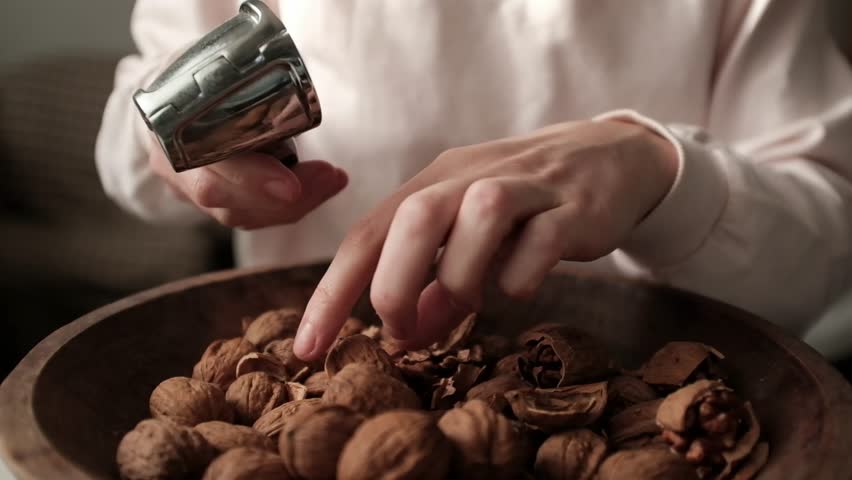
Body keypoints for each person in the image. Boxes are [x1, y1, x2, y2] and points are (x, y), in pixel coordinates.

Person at [96, 1, 852, 362]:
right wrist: (174, 139)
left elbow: (829, 237)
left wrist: (661, 171)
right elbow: (126, 144)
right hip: (318, 384)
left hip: (638, 404)